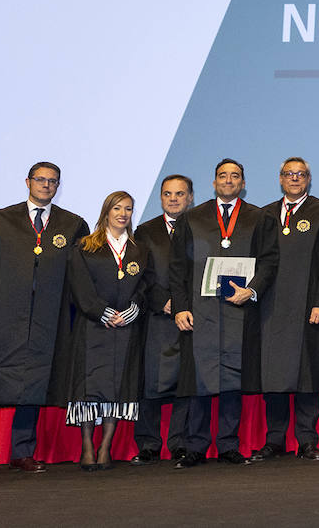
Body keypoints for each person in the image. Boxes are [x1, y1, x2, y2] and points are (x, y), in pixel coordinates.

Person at [0, 161, 89, 477]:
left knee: (33, 381)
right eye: (40, 180)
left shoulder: (73, 224)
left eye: (53, 181)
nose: (46, 185)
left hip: (47, 318)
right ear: (28, 182)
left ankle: (23, 452)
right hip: (5, 315)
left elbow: (77, 273)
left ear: (58, 186)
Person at [169, 158, 279, 469]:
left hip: (239, 310)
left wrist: (253, 289)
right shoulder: (192, 218)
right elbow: (177, 268)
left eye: (235, 176)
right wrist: (180, 307)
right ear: (214, 182)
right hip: (200, 312)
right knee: (200, 380)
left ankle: (229, 444)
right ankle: (196, 446)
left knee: (233, 377)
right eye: (222, 176)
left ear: (243, 183)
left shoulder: (260, 218)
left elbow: (270, 261)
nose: (228, 181)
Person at [253, 157, 319, 462]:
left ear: (309, 179)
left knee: (307, 375)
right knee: (273, 376)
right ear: (279, 179)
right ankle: (274, 440)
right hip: (270, 308)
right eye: (289, 174)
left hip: (308, 306)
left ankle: (306, 441)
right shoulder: (263, 214)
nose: (294, 179)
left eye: (300, 174)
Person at [63, 191, 148, 471]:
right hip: (92, 329)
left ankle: (105, 447)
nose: (123, 214)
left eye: (128, 209)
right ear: (106, 212)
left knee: (117, 386)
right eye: (117, 208)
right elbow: (79, 287)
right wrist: (102, 312)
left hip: (126, 330)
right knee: (90, 388)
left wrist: (135, 308)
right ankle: (87, 446)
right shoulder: (85, 247)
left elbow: (145, 286)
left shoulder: (139, 250)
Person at [131, 174, 193, 465]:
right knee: (151, 383)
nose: (173, 199)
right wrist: (163, 302)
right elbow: (140, 275)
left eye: (180, 194)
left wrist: (185, 304)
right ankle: (148, 444)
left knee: (186, 384)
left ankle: (180, 443)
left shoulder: (202, 226)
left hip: (192, 317)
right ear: (160, 198)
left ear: (190, 197)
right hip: (157, 317)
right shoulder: (145, 231)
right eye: (167, 194)